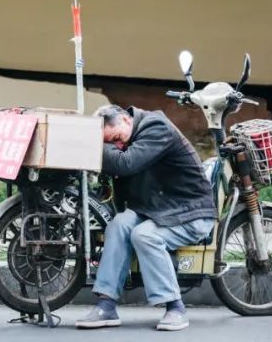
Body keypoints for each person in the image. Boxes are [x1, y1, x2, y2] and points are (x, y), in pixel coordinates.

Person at [76, 105, 216, 332]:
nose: (117, 147)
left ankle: (175, 307)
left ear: (125, 119)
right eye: (111, 144)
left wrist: (95, 147)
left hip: (189, 210)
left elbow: (126, 162)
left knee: (144, 235)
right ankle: (106, 305)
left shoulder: (156, 127)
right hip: (156, 208)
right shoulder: (131, 132)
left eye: (117, 139)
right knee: (118, 225)